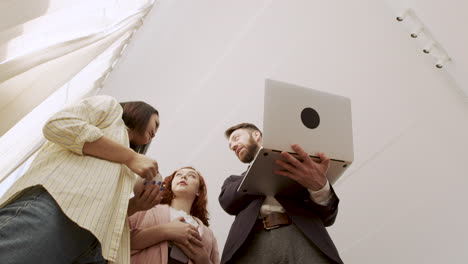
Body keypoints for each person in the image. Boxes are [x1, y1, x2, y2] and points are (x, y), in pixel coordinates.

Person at [0, 95, 163, 264]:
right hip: (59, 209)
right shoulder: (111, 109)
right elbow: (59, 124)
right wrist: (130, 157)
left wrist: (137, 205)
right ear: (140, 111)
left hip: (94, 247)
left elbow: (102, 210)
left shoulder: (127, 167)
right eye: (156, 124)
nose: (155, 133)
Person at [219, 123, 344, 264]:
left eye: (236, 138)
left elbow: (328, 217)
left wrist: (320, 187)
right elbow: (226, 202)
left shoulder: (299, 167)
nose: (233, 146)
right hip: (252, 245)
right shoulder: (233, 181)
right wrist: (261, 166)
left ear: (256, 134)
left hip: (302, 238)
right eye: (230, 146)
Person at [129, 166, 220, 264]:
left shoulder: (208, 235)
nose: (184, 176)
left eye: (192, 176)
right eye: (179, 175)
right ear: (171, 184)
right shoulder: (145, 209)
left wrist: (203, 259)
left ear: (198, 191)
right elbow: (116, 239)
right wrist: (166, 231)